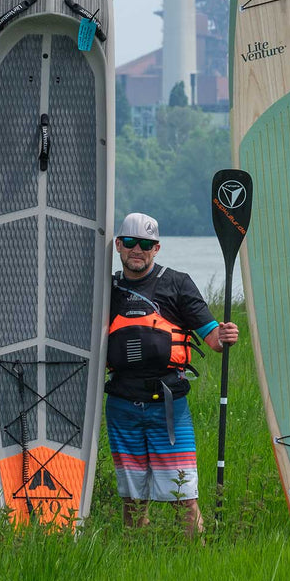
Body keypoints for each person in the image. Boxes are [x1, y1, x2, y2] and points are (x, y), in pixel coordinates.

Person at [105, 212, 239, 534]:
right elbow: (45, 297)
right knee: (132, 498)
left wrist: (223, 337)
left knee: (184, 495)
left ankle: (196, 561)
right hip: (122, 404)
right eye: (131, 242)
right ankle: (136, 556)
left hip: (168, 405)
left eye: (146, 244)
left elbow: (212, 338)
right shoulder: (103, 289)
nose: (138, 250)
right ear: (118, 245)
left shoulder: (177, 283)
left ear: (157, 248)